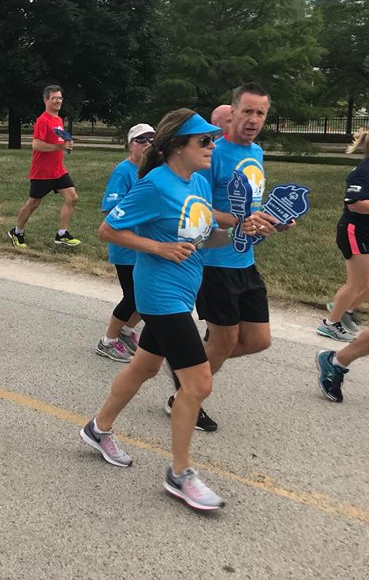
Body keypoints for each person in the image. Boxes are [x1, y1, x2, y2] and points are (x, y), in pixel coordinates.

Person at [81, 108, 237, 512]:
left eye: (212, 139)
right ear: (177, 147)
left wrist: (243, 231)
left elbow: (203, 239)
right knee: (198, 385)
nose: (212, 145)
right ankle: (180, 474)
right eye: (204, 140)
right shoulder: (154, 185)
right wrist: (159, 248)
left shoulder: (198, 183)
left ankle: (99, 429)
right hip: (158, 294)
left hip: (183, 292)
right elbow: (108, 229)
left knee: (144, 368)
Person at [180, 83, 283, 431]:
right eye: (248, 111)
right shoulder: (213, 153)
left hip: (245, 259)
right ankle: (188, 396)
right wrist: (242, 221)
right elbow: (198, 207)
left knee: (257, 340)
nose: (254, 119)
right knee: (223, 340)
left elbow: (252, 204)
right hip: (215, 260)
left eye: (261, 113)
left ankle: (189, 371)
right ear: (232, 113)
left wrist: (274, 219)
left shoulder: (257, 153)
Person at [96, 123, 155, 362]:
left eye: (152, 139)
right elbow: (110, 210)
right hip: (126, 247)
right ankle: (107, 341)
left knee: (148, 296)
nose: (147, 144)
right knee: (132, 297)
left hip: (146, 245)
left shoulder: (153, 170)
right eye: (141, 140)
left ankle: (127, 331)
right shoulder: (124, 171)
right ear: (131, 144)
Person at [317, 128, 369, 342]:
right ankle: (330, 323)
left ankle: (345, 305)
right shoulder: (365, 171)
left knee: (362, 283)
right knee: (357, 283)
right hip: (356, 231)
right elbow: (355, 204)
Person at [8, 85, 80, 248]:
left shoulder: (59, 120)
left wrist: (67, 144)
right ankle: (17, 232)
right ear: (46, 100)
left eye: (60, 98)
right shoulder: (43, 120)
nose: (58, 101)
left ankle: (62, 234)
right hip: (42, 172)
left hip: (58, 170)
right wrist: (59, 147)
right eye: (55, 98)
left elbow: (59, 141)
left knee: (72, 197)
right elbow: (36, 145)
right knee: (33, 203)